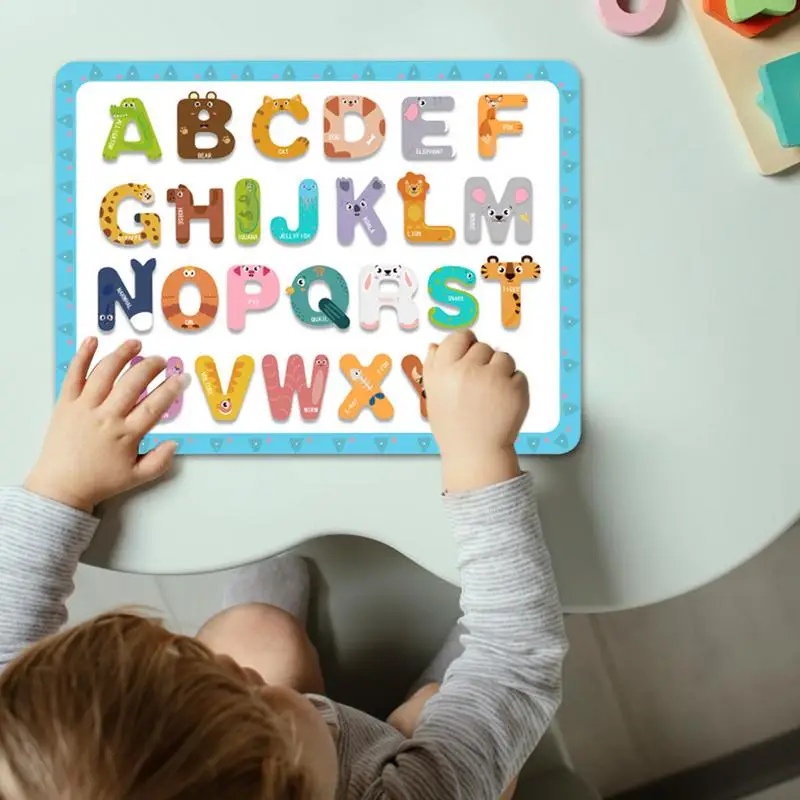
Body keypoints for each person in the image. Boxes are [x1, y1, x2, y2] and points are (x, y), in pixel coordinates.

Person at [0, 331, 567, 800]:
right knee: (449, 711)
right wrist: (479, 454)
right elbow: (516, 658)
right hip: (405, 776)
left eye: (198, 666)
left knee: (258, 635)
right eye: (266, 708)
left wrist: (62, 483)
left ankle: (401, 717)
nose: (248, 679)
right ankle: (419, 729)